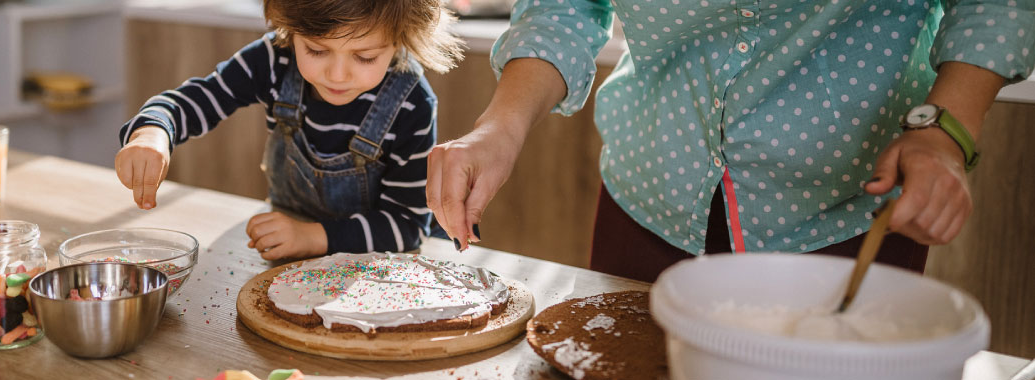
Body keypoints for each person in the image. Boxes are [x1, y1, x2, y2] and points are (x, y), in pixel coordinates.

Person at [427, 0, 1034, 282]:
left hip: (845, 212)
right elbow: (564, 8)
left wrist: (946, 133)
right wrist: (498, 127)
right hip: (648, 198)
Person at [115, 0, 464, 260]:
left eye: (365, 57)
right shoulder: (273, 60)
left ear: (401, 40)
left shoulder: (411, 102)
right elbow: (196, 99)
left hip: (376, 270)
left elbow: (406, 226)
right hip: (288, 254)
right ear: (289, 29)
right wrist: (153, 132)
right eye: (316, 49)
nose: (337, 75)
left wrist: (311, 237)